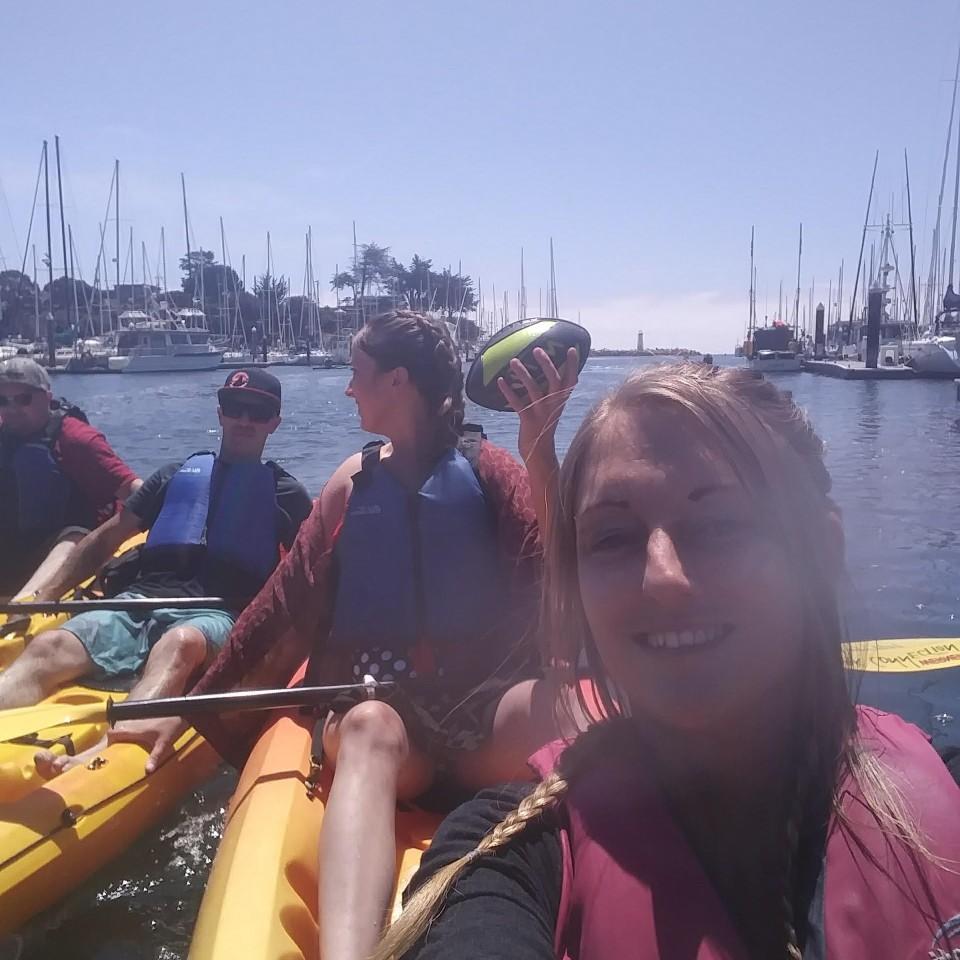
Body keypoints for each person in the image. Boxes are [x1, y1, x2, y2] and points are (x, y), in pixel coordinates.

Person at [375, 363, 960, 960]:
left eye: (718, 525)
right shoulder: (510, 853)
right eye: (612, 537)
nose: (662, 578)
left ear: (822, 553)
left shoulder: (946, 791)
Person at [112, 310, 580, 960]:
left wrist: (540, 445)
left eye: (357, 374)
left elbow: (561, 570)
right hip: (387, 720)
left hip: (482, 713)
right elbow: (281, 608)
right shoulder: (351, 481)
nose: (347, 389)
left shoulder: (489, 469)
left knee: (574, 710)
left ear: (396, 381)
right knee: (367, 727)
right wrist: (195, 708)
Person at [0, 367, 312, 777]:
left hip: (216, 614)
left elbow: (311, 570)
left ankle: (101, 757)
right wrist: (45, 596)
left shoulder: (287, 494)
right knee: (48, 646)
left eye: (258, 412)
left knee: (179, 644)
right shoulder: (172, 476)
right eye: (235, 408)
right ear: (220, 413)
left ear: (274, 421)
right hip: (139, 601)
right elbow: (105, 539)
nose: (245, 420)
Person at [0, 356, 140, 598]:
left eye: (23, 399)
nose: (12, 409)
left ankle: (22, 612)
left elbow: (138, 492)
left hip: (67, 547)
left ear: (47, 397)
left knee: (72, 536)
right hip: (14, 544)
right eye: (3, 401)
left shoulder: (77, 439)